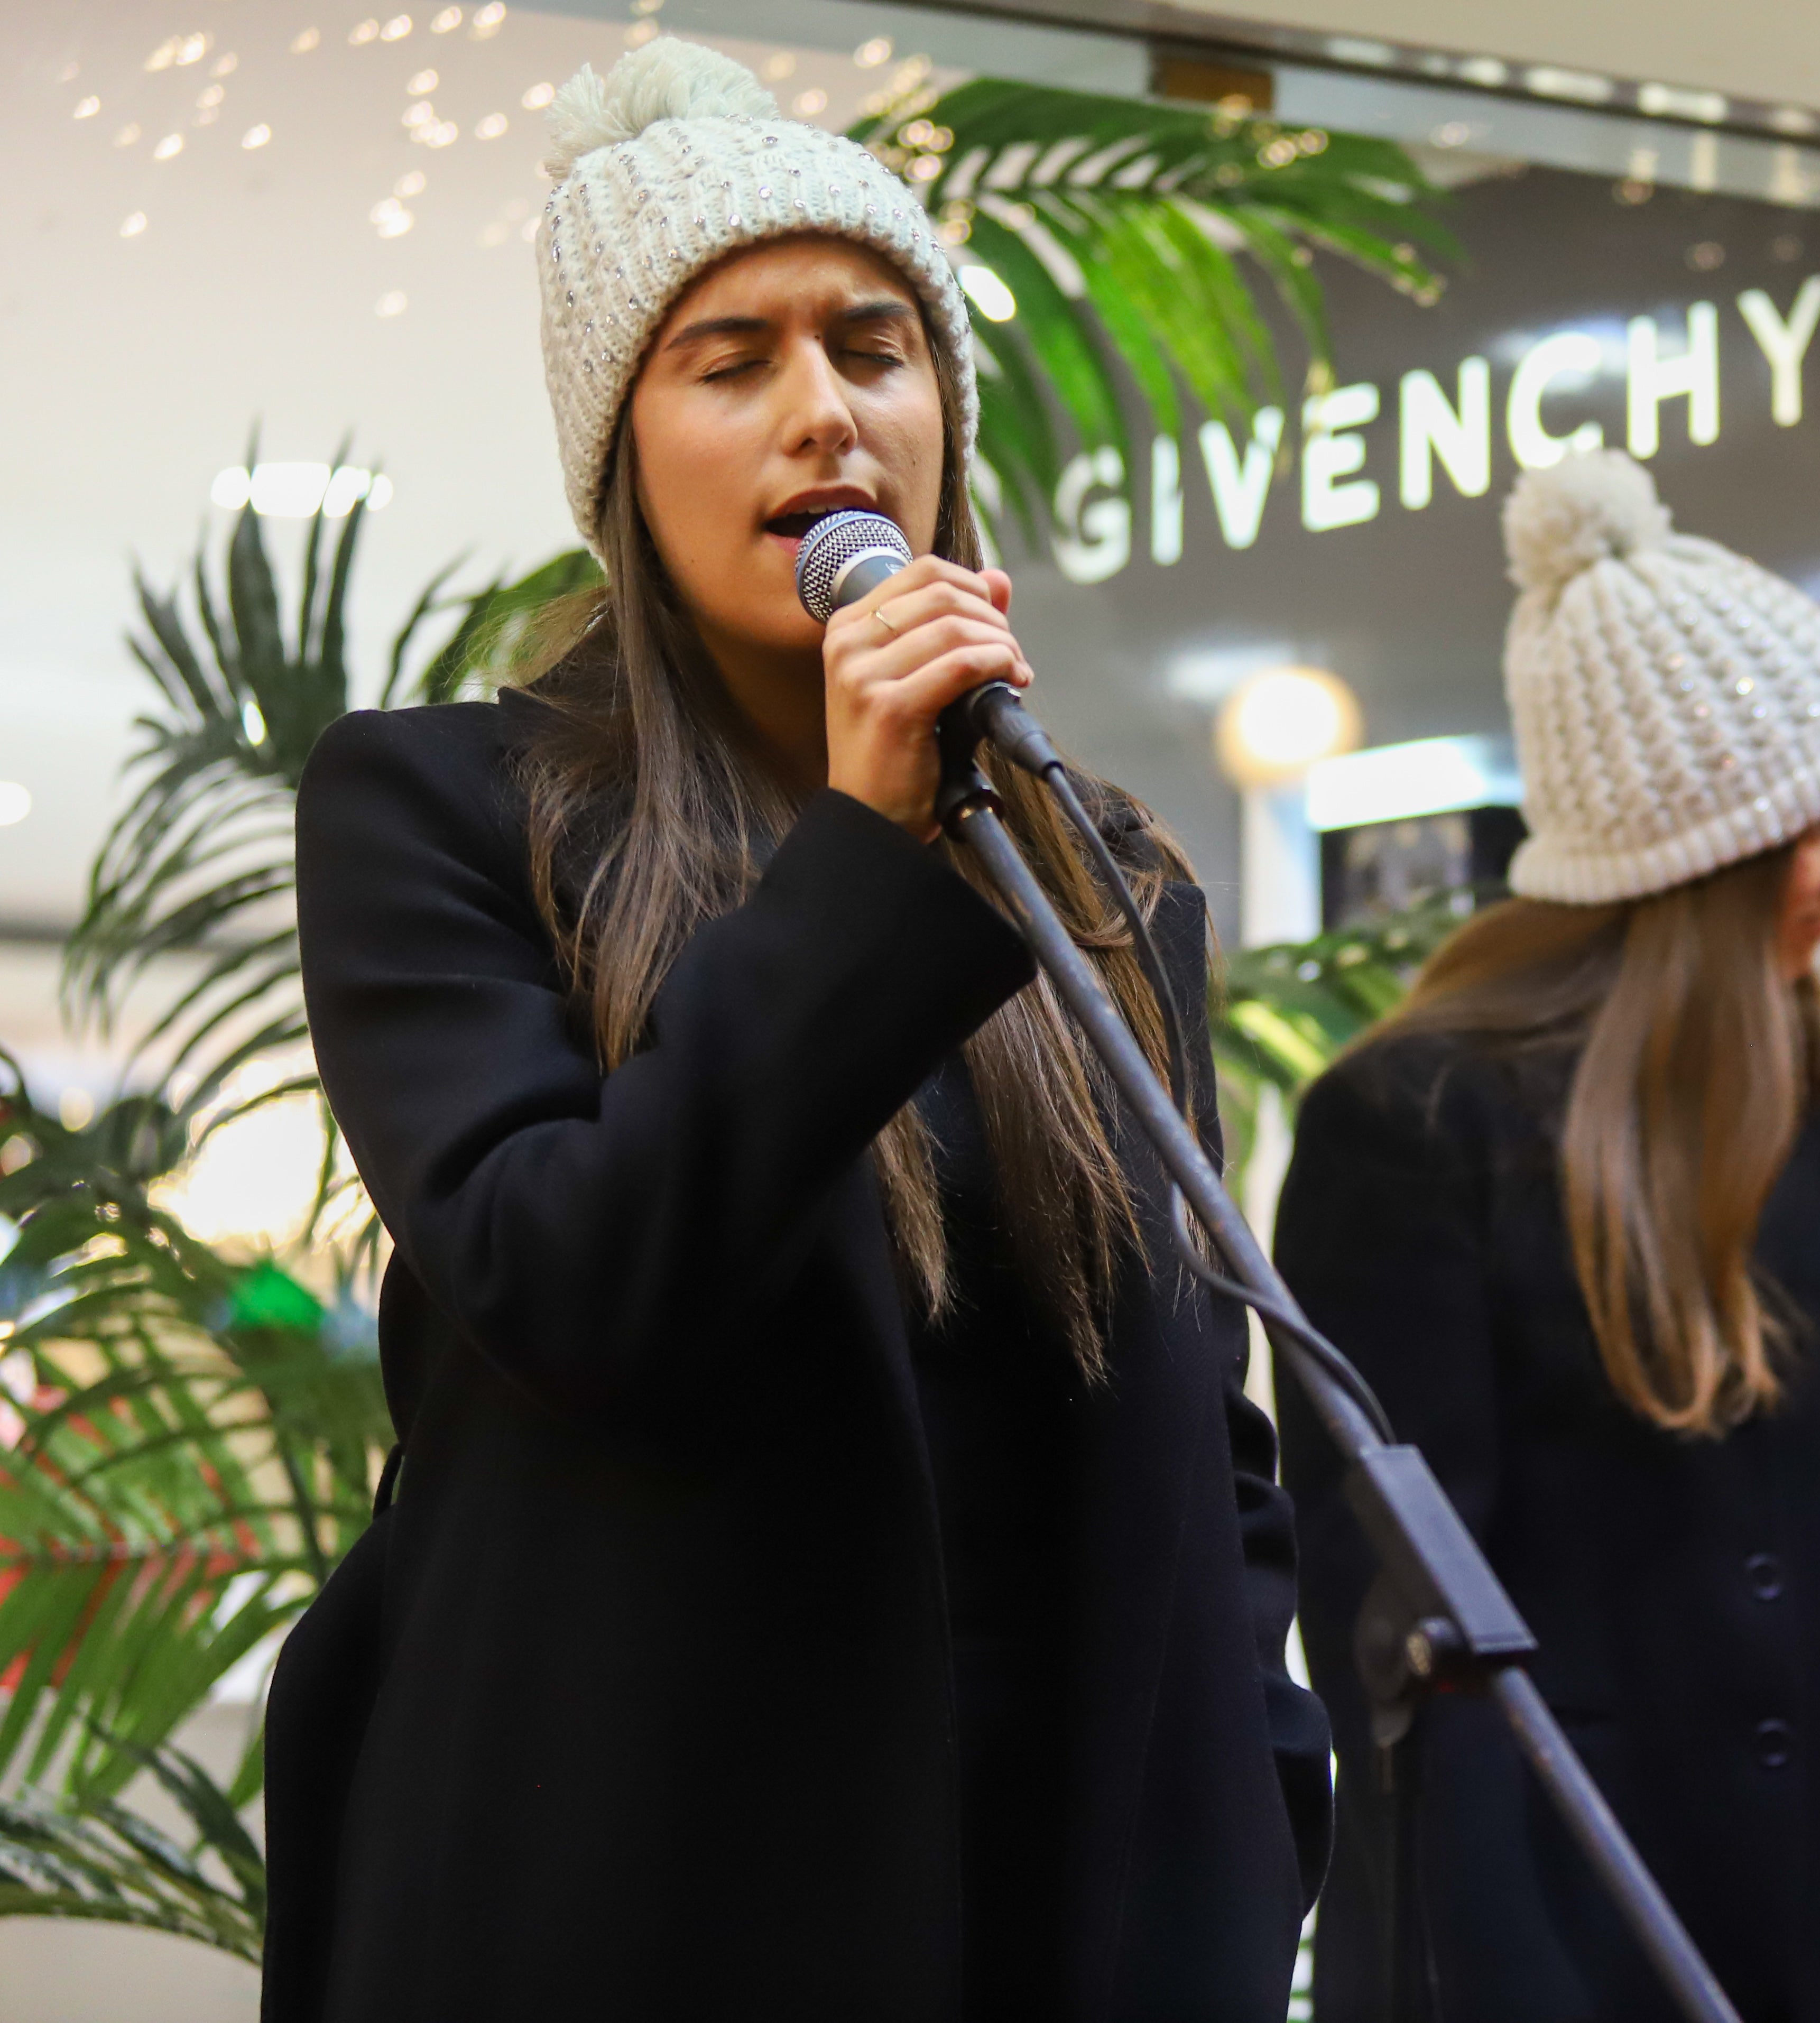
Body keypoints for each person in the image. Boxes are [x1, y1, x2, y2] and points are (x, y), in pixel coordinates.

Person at [266, 41, 1324, 2021]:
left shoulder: (1104, 876)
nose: (825, 413)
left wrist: (1264, 1819)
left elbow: (1206, 1422)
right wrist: (863, 850)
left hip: (1077, 1902)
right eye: (731, 361)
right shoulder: (435, 811)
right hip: (645, 1900)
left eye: (874, 345)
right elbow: (569, 1279)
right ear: (620, 458)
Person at [1273, 452, 1820, 2022]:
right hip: (1561, 1946)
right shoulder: (1413, 1124)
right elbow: (1402, 1646)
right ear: (1706, 855)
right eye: (1808, 825)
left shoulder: (1806, 1126)